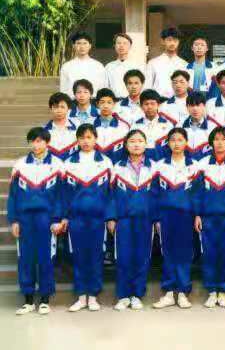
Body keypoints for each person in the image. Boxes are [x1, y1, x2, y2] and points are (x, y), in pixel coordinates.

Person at [60, 124, 115, 312]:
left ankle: (93, 296)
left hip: (98, 218)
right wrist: (65, 216)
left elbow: (111, 194)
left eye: (89, 137)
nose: (85, 141)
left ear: (95, 139)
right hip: (76, 218)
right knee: (78, 256)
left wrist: (110, 216)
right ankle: (81, 296)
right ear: (77, 140)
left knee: (96, 256)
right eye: (82, 137)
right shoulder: (68, 163)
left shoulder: (106, 162)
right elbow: (64, 194)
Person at [9, 127, 63, 315]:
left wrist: (57, 219)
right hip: (25, 219)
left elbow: (60, 196)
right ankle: (28, 300)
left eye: (40, 141)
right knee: (25, 258)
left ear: (47, 142)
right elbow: (13, 196)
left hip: (46, 219)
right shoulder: (20, 165)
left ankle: (45, 299)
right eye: (32, 141)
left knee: (46, 258)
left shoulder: (57, 164)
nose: (36, 144)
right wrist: (14, 220)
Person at [194, 126, 225, 308]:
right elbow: (197, 191)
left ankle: (223, 291)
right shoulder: (202, 163)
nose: (220, 143)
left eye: (223, 139)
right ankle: (211, 291)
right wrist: (197, 214)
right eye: (216, 139)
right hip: (207, 217)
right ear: (211, 142)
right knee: (208, 254)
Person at [152, 128, 201, 310]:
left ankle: (182, 292)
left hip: (186, 216)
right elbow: (154, 193)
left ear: (186, 142)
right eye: (173, 140)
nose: (177, 143)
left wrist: (197, 214)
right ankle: (168, 292)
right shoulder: (159, 166)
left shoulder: (194, 166)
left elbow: (198, 194)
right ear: (168, 143)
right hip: (166, 215)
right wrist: (157, 217)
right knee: (168, 252)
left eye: (180, 140)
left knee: (184, 252)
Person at [111, 130, 156, 311]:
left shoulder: (154, 167)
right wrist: (111, 217)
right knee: (123, 256)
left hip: (145, 219)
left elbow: (158, 195)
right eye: (132, 141)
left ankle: (137, 294)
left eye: (139, 141)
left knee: (142, 256)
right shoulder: (117, 167)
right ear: (126, 145)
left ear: (145, 144)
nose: (136, 144)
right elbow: (110, 195)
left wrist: (156, 218)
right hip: (123, 219)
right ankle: (123, 296)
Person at [60, 31, 106, 98]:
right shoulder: (66, 66)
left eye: (85, 43)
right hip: (72, 102)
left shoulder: (98, 66)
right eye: (78, 43)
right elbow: (63, 90)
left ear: (90, 46)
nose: (82, 46)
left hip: (93, 101)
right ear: (73, 46)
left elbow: (103, 88)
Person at [131, 89, 173, 161]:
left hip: (163, 162)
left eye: (152, 103)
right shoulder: (135, 126)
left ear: (158, 105)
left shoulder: (168, 125)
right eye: (146, 104)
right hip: (142, 162)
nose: (149, 107)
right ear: (141, 106)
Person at [145, 28, 187, 98]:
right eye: (169, 40)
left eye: (175, 40)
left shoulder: (184, 64)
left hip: (178, 101)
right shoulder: (153, 63)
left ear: (179, 42)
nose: (172, 43)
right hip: (157, 100)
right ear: (163, 41)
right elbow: (147, 86)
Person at [92, 88, 130, 164]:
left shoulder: (124, 126)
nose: (105, 106)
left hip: (118, 165)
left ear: (114, 104)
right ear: (97, 104)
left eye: (109, 102)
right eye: (102, 102)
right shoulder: (90, 124)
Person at [104, 33, 145, 98]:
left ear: (130, 46)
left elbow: (144, 86)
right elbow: (106, 87)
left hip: (134, 100)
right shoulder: (109, 67)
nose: (121, 46)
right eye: (119, 43)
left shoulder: (139, 66)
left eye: (125, 43)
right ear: (114, 46)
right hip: (115, 101)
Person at [181, 92, 215, 161]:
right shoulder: (179, 126)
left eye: (198, 105)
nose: (195, 109)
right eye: (192, 105)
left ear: (204, 106)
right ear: (187, 107)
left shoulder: (213, 127)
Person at [44, 92, 78, 160]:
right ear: (51, 109)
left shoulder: (77, 128)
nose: (59, 110)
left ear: (68, 109)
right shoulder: (43, 131)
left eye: (62, 107)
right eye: (56, 107)